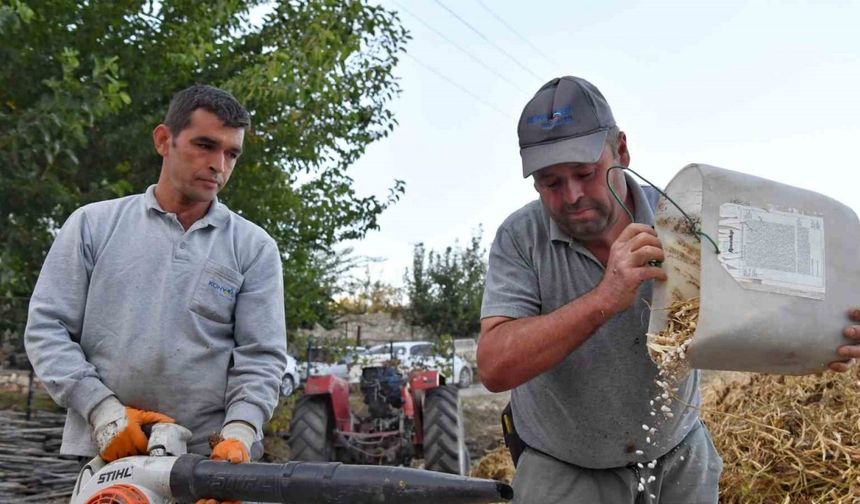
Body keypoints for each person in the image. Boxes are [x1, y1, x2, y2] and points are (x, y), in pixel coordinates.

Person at [477, 76, 860, 503]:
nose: (572, 196)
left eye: (585, 173)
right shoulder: (520, 237)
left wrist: (826, 338)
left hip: (679, 461)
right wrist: (605, 299)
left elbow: (772, 299)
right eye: (550, 182)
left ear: (621, 151)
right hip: (567, 468)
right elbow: (495, 366)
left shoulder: (685, 219)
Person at [25, 85, 288, 501]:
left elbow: (261, 357)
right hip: (109, 457)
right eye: (205, 145)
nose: (218, 164)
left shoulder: (253, 248)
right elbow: (46, 329)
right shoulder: (93, 226)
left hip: (206, 466)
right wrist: (102, 411)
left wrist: (240, 431)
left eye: (231, 153)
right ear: (164, 140)